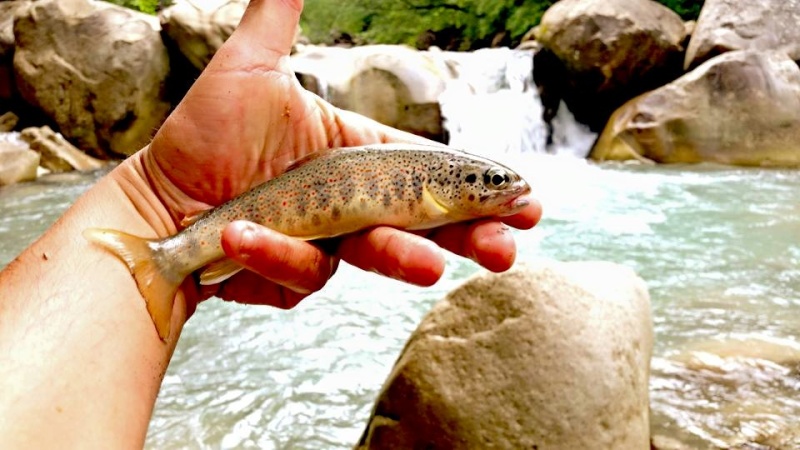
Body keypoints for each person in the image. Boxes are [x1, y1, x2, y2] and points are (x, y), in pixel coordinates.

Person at [0, 0, 541, 447]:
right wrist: (159, 203)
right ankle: (164, 261)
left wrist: (153, 197)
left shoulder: (435, 181)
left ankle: (168, 259)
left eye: (493, 183)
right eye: (490, 182)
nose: (503, 191)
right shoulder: (429, 183)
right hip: (236, 216)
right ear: (455, 179)